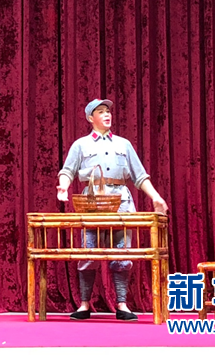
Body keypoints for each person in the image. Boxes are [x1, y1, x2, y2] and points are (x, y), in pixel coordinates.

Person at [56, 98, 168, 321]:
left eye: (108, 111)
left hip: (121, 203)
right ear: (90, 118)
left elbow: (140, 176)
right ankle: (84, 304)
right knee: (88, 253)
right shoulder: (81, 145)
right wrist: (63, 187)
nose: (107, 114)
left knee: (122, 254)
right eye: (101, 111)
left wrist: (156, 197)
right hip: (92, 204)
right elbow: (67, 171)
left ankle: (122, 304)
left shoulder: (123, 144)